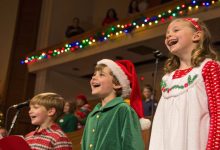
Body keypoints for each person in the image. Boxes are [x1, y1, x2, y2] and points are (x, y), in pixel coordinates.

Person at [149, 17, 220, 150]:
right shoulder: (167, 79)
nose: (169, 35)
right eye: (167, 34)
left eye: (176, 30)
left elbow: (218, 112)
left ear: (196, 35)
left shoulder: (208, 67)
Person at [81, 59, 151, 150]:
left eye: (101, 74)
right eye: (94, 75)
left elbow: (133, 146)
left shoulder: (123, 110)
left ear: (117, 84)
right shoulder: (92, 115)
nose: (93, 78)